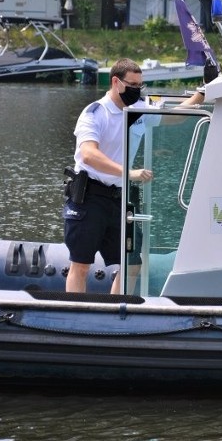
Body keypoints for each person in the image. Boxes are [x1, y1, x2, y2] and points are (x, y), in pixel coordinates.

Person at [63, 58, 210, 293]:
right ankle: (75, 316)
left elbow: (176, 115)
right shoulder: (95, 113)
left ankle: (116, 313)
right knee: (81, 265)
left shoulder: (139, 110)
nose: (136, 90)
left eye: (140, 85)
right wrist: (129, 173)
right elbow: (89, 154)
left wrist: (203, 91)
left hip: (120, 198)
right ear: (115, 82)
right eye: (132, 84)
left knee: (132, 265)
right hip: (90, 197)